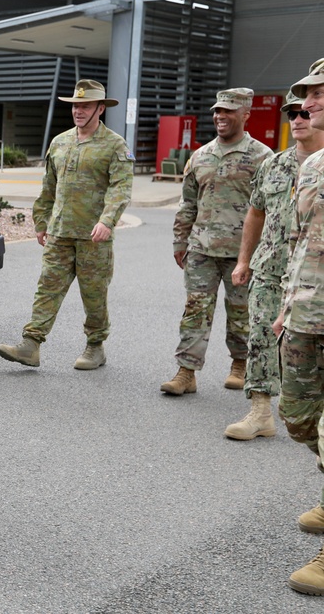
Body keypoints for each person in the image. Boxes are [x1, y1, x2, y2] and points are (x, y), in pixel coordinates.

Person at [0, 79, 133, 370]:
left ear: (100, 109)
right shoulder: (60, 142)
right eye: (75, 105)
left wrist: (107, 221)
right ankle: (30, 345)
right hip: (59, 232)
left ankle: (95, 346)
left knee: (93, 293)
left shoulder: (114, 145)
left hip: (93, 236)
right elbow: (48, 187)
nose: (78, 110)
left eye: (85, 106)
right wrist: (41, 221)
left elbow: (121, 188)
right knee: (47, 287)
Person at [161, 88, 273, 395]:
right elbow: (187, 203)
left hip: (243, 252)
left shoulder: (263, 157)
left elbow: (272, 209)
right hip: (201, 248)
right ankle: (186, 371)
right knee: (195, 310)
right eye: (217, 111)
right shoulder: (201, 155)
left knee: (241, 312)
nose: (220, 116)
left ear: (245, 114)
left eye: (228, 111)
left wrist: (264, 254)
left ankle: (239, 364)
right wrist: (180, 241)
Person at [226, 91, 324, 440]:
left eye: (302, 112)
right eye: (290, 114)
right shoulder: (274, 164)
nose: (297, 119)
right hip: (270, 268)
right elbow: (255, 211)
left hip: (314, 278)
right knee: (260, 338)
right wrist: (244, 260)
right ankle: (260, 411)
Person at [274, 58, 324, 595]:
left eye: (318, 94)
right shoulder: (312, 167)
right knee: (300, 418)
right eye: (306, 94)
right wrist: (288, 305)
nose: (307, 103)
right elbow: (299, 242)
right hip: (308, 309)